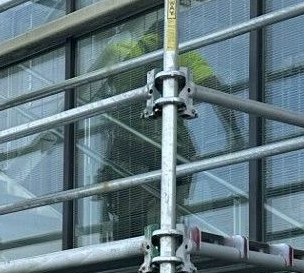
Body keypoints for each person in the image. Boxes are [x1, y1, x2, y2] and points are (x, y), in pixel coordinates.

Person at [89, 29, 246, 242]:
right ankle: (164, 246)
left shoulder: (119, 49)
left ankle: (135, 252)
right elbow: (215, 88)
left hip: (127, 150)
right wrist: (235, 132)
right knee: (167, 215)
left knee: (129, 221)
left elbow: (86, 92)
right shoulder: (180, 54)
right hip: (174, 148)